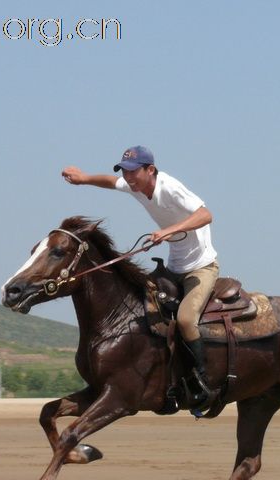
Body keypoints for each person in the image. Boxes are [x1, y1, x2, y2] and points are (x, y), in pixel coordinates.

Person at [62, 145, 219, 404]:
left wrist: (169, 231)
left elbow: (206, 214)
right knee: (143, 313)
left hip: (201, 267)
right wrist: (83, 178)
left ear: (150, 170)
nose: (128, 176)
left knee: (187, 320)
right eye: (125, 171)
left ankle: (202, 381)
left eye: (134, 171)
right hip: (174, 267)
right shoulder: (135, 187)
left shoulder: (169, 188)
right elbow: (111, 182)